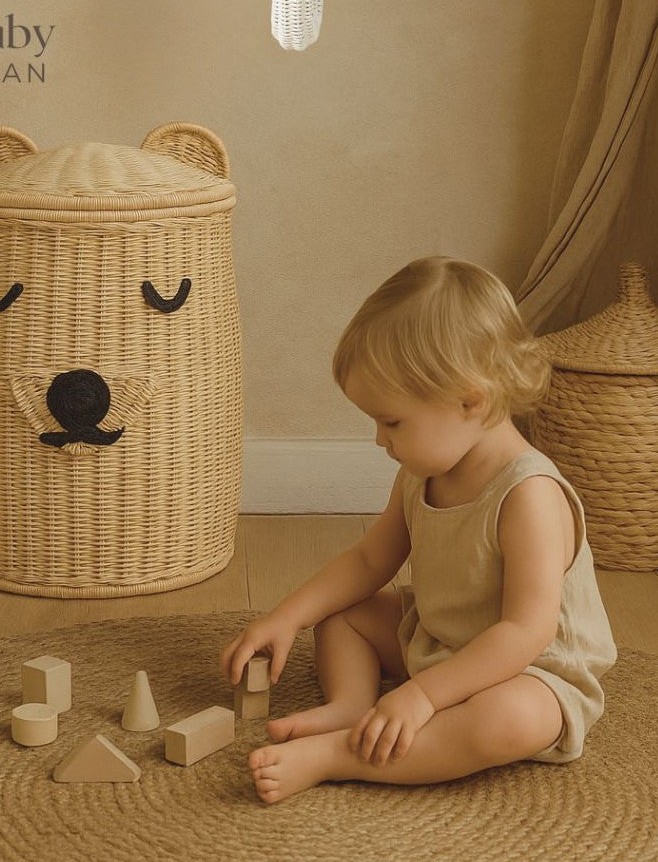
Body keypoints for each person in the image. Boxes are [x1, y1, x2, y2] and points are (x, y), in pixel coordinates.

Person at [220, 255, 618, 805]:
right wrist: (288, 617)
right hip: (439, 640)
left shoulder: (529, 495)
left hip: (529, 671)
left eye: (393, 422)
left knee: (509, 721)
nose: (380, 441)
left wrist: (424, 695)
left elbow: (525, 632)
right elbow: (367, 563)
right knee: (344, 613)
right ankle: (352, 709)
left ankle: (343, 755)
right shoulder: (420, 473)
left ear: (471, 399)